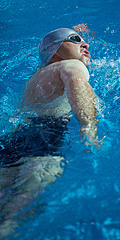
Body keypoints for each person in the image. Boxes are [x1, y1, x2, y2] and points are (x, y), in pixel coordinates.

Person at [0, 25, 101, 237]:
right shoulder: (72, 64)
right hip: (45, 139)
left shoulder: (37, 77)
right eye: (75, 39)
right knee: (16, 212)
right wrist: (88, 124)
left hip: (15, 139)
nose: (85, 44)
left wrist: (77, 32)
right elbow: (76, 82)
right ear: (55, 51)